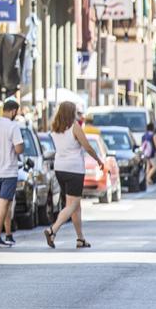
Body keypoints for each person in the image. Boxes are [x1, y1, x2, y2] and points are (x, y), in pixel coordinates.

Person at [45, 101, 104, 249]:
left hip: (60, 168)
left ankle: (80, 238)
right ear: (71, 112)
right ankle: (53, 230)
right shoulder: (74, 127)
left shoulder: (55, 128)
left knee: (74, 205)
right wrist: (98, 160)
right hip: (74, 169)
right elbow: (87, 146)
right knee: (73, 205)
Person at [0, 98, 25, 248]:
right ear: (14, 111)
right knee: (4, 204)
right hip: (9, 170)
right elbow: (18, 149)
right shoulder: (13, 126)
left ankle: (8, 235)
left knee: (6, 203)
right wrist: (21, 146)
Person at [142, 122, 156, 187]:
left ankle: (146, 178)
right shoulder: (154, 135)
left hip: (146, 153)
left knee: (148, 166)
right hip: (152, 153)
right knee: (155, 166)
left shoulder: (144, 136)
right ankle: (148, 177)